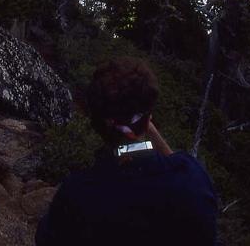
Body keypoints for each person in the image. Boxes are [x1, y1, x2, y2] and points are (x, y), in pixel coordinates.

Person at [36, 57, 218, 246]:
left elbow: (46, 238)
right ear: (148, 119)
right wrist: (149, 132)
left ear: (97, 123)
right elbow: (176, 166)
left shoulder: (76, 193)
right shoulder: (191, 180)